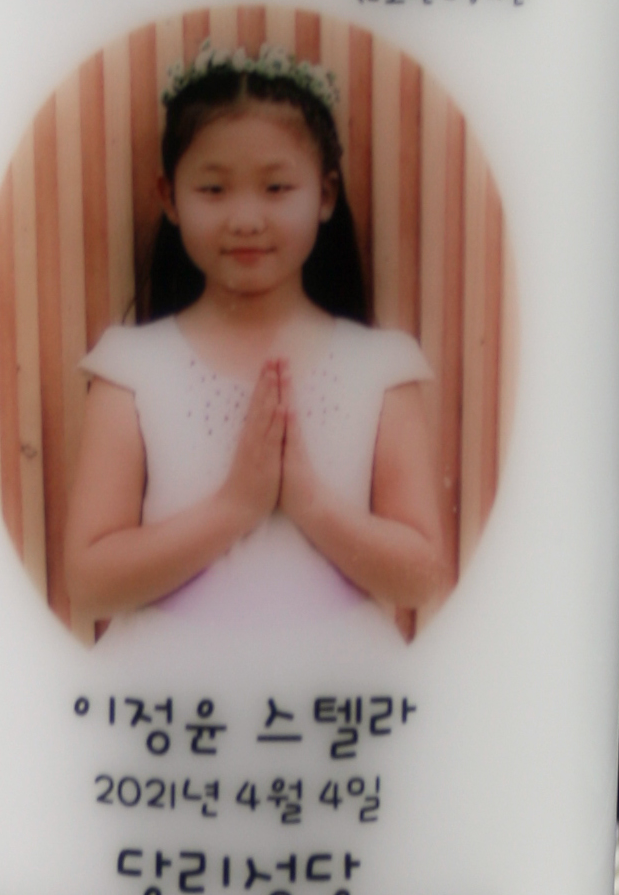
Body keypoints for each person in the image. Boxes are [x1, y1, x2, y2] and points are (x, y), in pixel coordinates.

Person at [60, 45, 451, 637]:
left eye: (276, 188)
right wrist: (236, 507)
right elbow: (89, 585)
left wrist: (309, 502)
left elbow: (421, 579)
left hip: (336, 678)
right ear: (170, 197)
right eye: (214, 190)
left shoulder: (380, 368)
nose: (245, 218)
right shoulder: (131, 368)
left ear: (324, 195)